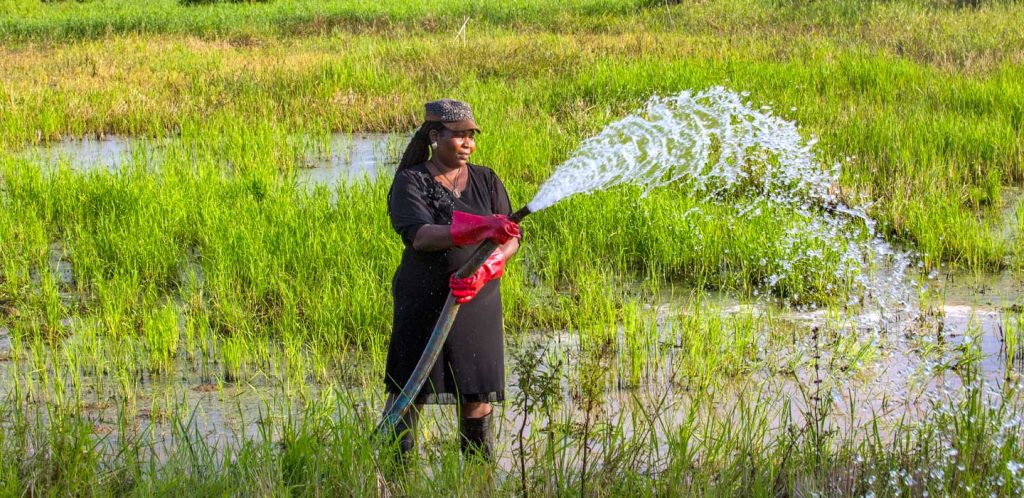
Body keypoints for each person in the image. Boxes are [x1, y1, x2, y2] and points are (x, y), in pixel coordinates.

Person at [384, 99, 521, 461]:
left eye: (471, 137)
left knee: (476, 392)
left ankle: (477, 476)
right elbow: (421, 236)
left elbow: (511, 236)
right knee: (410, 387)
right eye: (458, 136)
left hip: (477, 301)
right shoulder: (411, 181)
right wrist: (477, 227)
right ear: (434, 136)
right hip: (426, 299)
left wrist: (490, 266)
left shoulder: (486, 179)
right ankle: (395, 476)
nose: (468, 144)